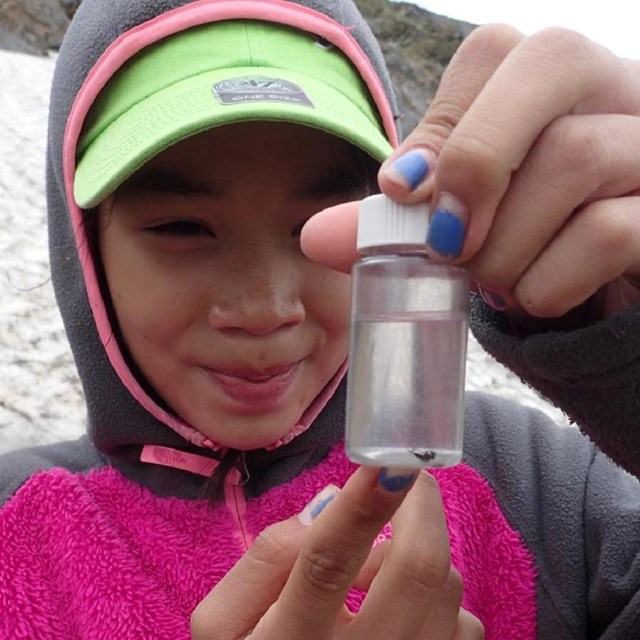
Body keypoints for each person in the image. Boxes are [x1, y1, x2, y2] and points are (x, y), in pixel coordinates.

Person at [1, 0, 640, 637]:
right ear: (84, 249)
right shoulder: (16, 525)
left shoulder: (539, 480)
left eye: (319, 224)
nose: (264, 311)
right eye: (183, 227)